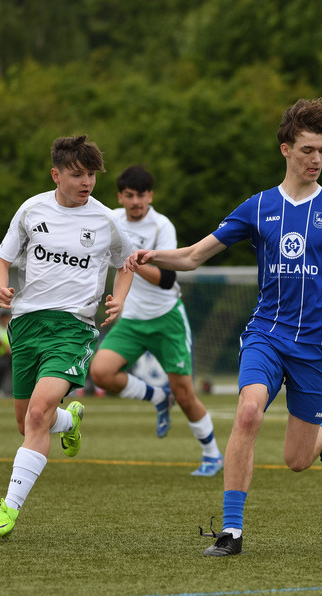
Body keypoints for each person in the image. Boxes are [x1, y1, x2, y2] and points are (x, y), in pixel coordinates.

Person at [126, 98, 322, 556]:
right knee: (247, 411)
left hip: (318, 346)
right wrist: (153, 256)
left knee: (296, 461)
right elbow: (194, 257)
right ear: (285, 149)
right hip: (267, 333)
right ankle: (232, 532)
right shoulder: (258, 207)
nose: (316, 159)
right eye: (307, 149)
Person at [0, 134, 134, 538]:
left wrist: (117, 300)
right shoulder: (32, 210)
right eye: (77, 174)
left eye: (92, 176)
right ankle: (70, 421)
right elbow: (1, 261)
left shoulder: (105, 220)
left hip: (74, 328)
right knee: (27, 422)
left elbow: (127, 262)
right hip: (27, 326)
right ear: (56, 174)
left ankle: (7, 511)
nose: (86, 182)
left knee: (36, 413)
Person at [90, 165, 223, 476]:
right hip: (132, 320)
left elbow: (166, 279)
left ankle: (212, 455)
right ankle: (158, 397)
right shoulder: (111, 220)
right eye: (130, 195)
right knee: (100, 373)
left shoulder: (162, 226)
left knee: (186, 395)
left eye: (143, 195)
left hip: (166, 319)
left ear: (151, 196)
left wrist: (134, 262)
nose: (137, 201)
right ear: (120, 197)